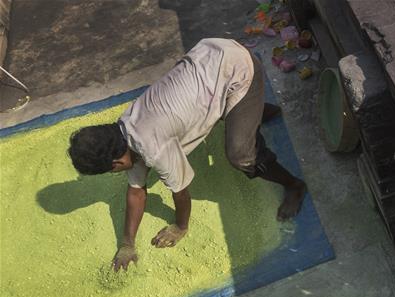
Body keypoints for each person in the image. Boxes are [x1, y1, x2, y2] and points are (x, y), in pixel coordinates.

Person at [67, 38, 306, 272]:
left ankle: (294, 185)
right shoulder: (126, 128)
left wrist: (180, 227)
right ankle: (251, 112)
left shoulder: (154, 148)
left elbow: (181, 194)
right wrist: (127, 245)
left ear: (117, 162)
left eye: (112, 171)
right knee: (223, 113)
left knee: (241, 155)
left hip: (238, 67)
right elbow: (136, 191)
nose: (118, 173)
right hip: (212, 53)